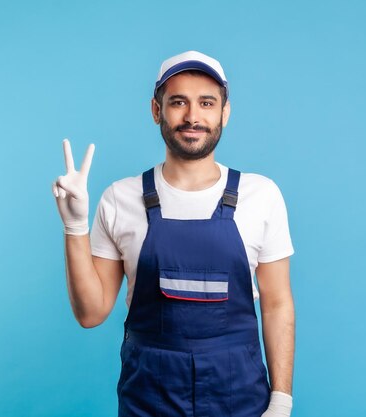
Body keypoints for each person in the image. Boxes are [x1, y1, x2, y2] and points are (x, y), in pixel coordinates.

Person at [52, 50, 295, 417]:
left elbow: (277, 302)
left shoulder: (261, 196)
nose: (193, 116)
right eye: (178, 102)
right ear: (156, 110)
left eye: (206, 103)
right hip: (149, 398)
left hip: (239, 398)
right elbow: (91, 313)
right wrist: (74, 227)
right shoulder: (121, 198)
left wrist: (281, 399)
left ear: (224, 113)